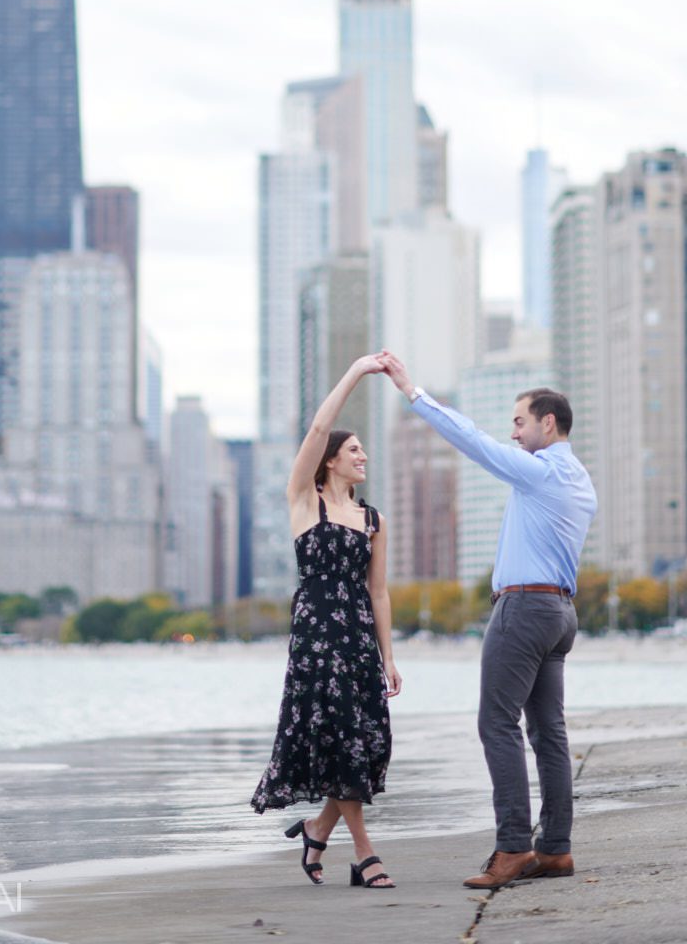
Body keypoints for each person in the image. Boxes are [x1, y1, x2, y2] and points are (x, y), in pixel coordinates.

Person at [378, 350, 596, 890]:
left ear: (549, 423)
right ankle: (556, 850)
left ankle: (515, 846)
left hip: (523, 609)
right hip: (560, 612)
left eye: (520, 422)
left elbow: (474, 442)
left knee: (496, 724)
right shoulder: (580, 481)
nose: (515, 433)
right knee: (549, 732)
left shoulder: (542, 473)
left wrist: (413, 391)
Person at [251, 356, 402, 889]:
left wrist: (388, 656)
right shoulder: (302, 500)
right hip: (316, 636)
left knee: (361, 741)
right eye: (354, 448)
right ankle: (365, 854)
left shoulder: (373, 519)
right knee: (336, 738)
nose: (363, 455)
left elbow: (377, 590)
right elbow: (317, 426)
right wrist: (358, 371)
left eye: (363, 448)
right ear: (331, 460)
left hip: (358, 636)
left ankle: (318, 830)